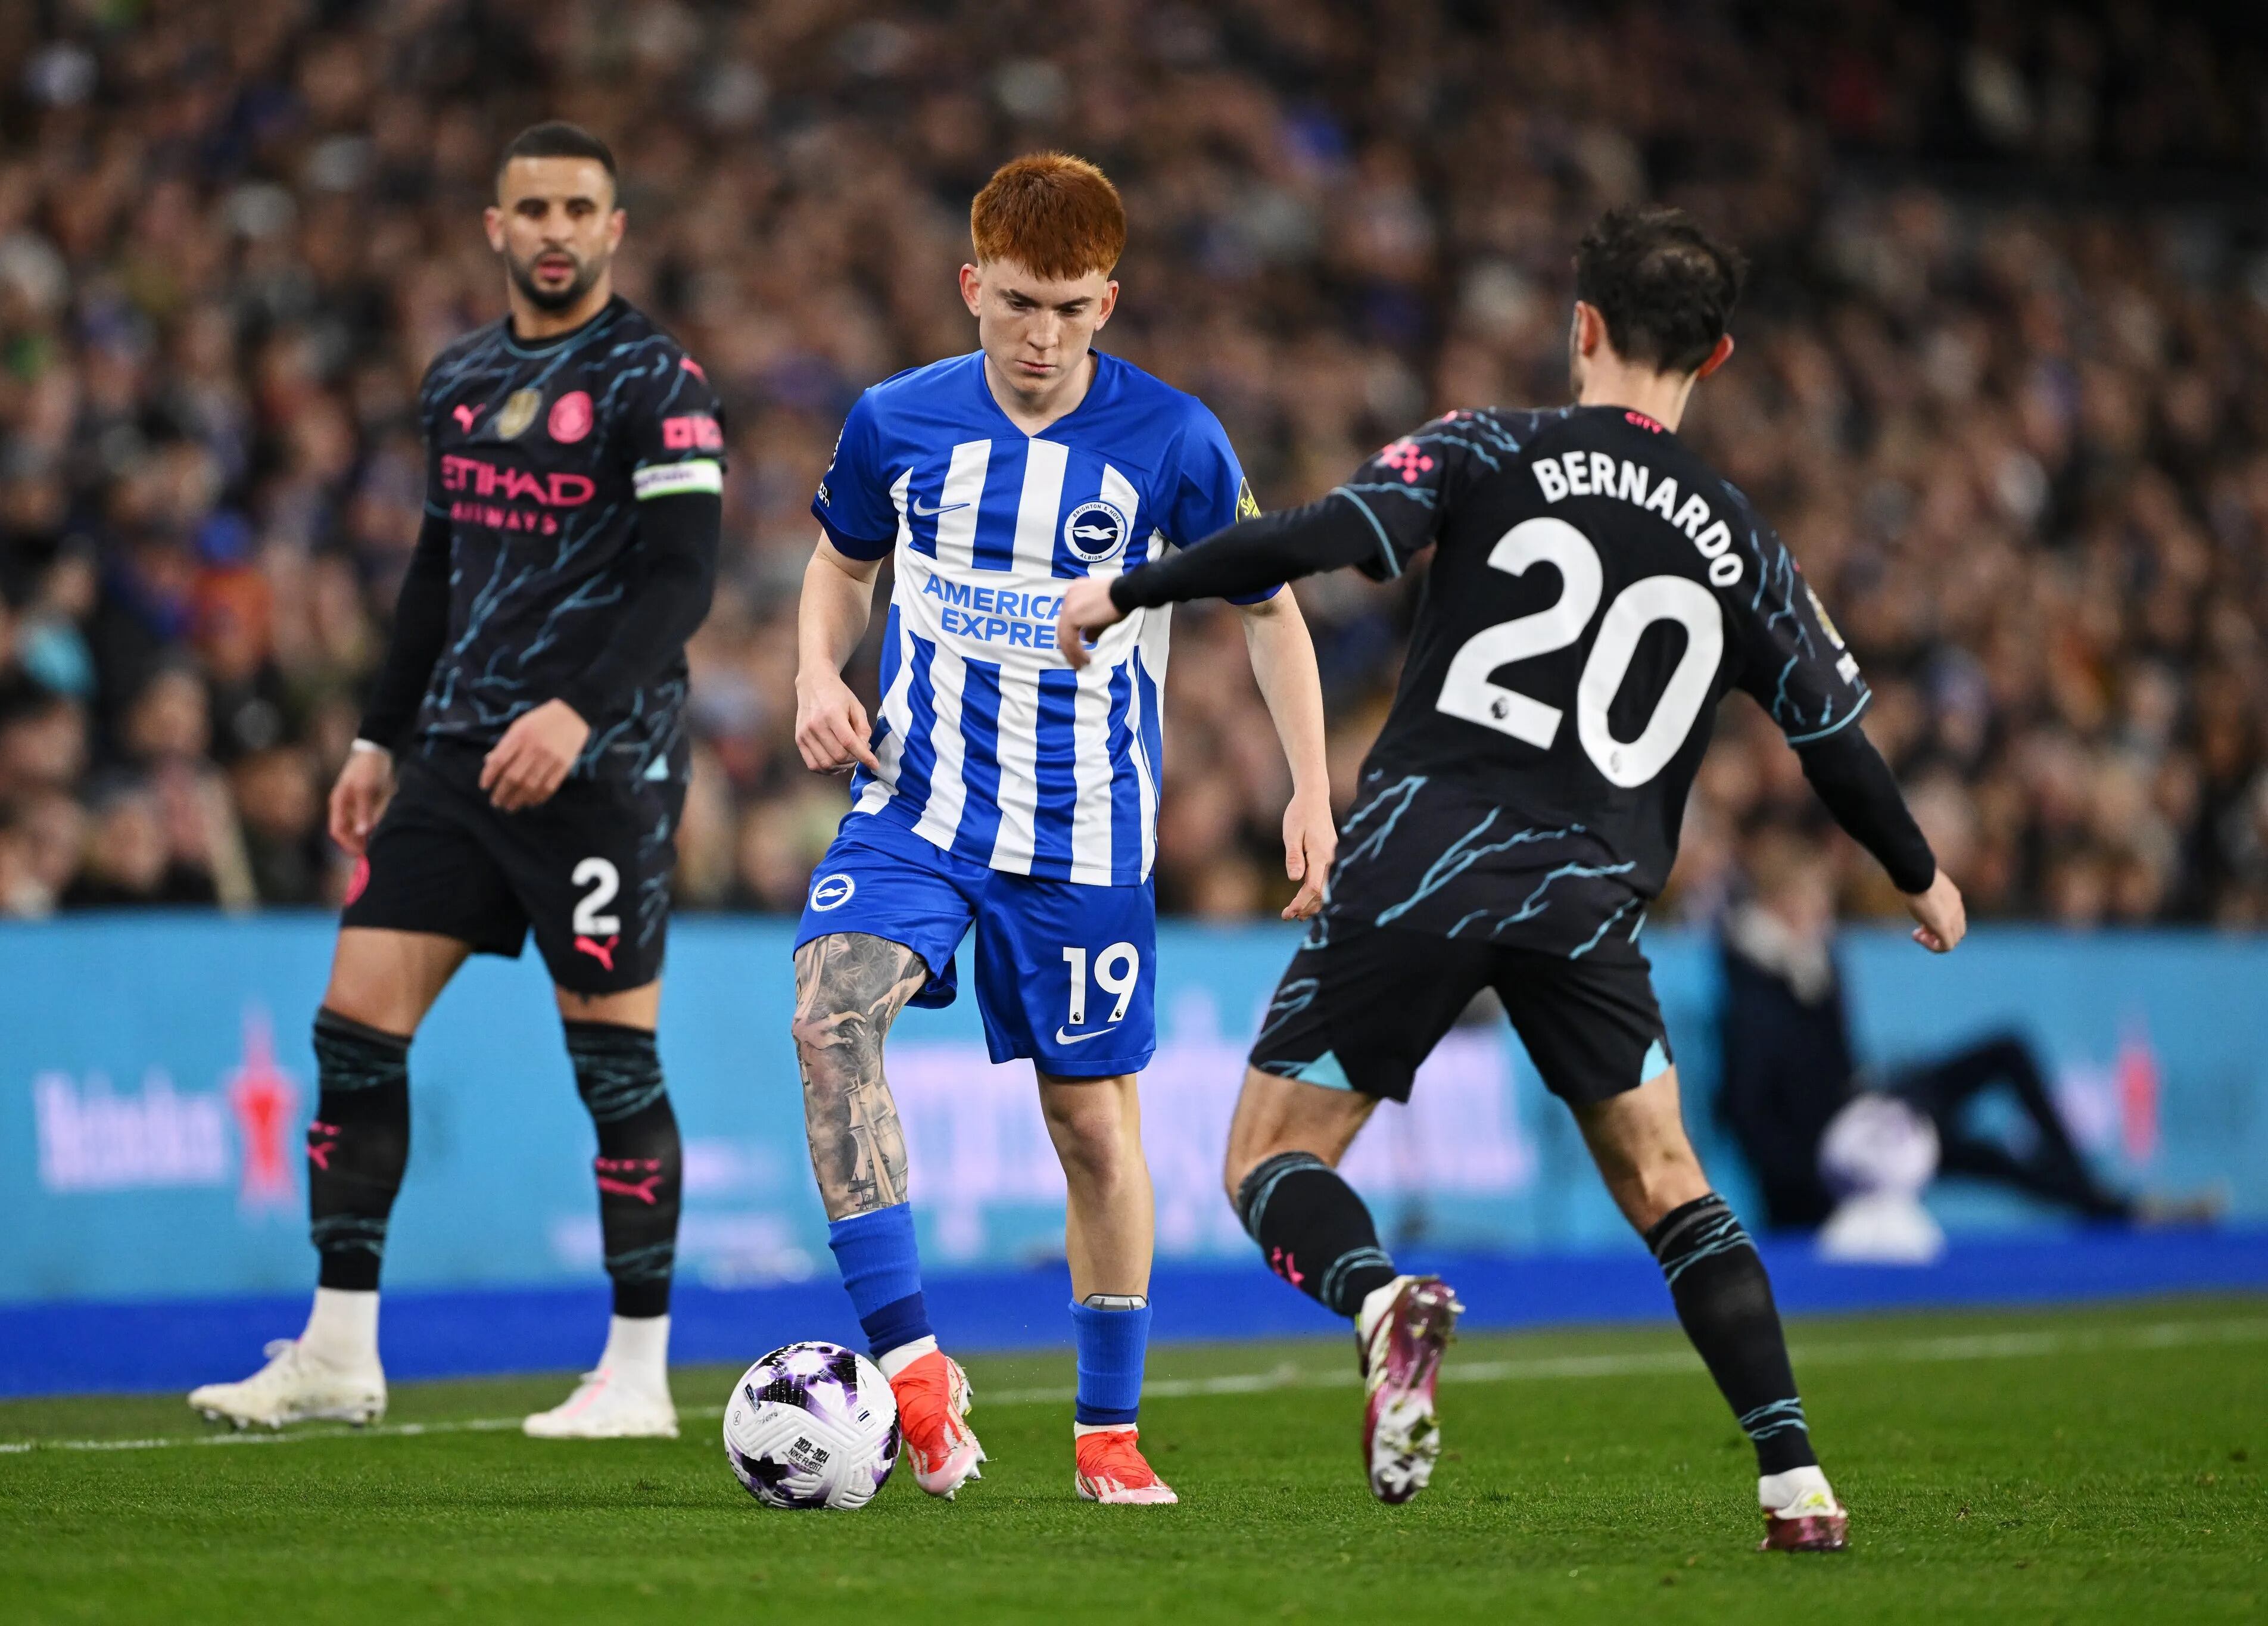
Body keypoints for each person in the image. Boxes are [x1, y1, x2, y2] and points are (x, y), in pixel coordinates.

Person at [1058, 205, 1970, 1550]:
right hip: (1585, 899)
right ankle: (1796, 1481)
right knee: (1671, 1184)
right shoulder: (1736, 535)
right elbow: (1831, 740)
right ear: (1715, 358)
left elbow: (1315, 538)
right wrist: (1918, 874)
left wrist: (1136, 589)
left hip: (1423, 861)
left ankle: (1378, 1304)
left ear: (1582, 325)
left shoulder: (1488, 445)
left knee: (1268, 1158)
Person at [790, 153, 1334, 1505]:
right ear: (972, 286)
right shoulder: (893, 423)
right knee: (827, 1013)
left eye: (1075, 309)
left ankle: (1105, 1430)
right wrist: (815, 671)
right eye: (1021, 303)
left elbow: (1268, 607)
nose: (1044, 337)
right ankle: (912, 1366)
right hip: (916, 805)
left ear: (1111, 301)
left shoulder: (1175, 441)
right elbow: (842, 561)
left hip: (1085, 836)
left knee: (1092, 1129)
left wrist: (1313, 785)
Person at [188, 123, 724, 1438]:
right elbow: (438, 571)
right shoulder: (461, 380)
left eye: (577, 207)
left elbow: (681, 579)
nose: (553, 228)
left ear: (613, 228)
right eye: (530, 206)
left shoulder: (660, 380)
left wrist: (575, 713)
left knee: (612, 1063)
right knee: (353, 1031)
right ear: (493, 226)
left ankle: (638, 1374)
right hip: (450, 759)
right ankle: (338, 1350)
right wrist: (377, 736)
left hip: (598, 771)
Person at [1719, 824, 2170, 1232]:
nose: (1824, 907)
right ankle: (2109, 1207)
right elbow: (1750, 1108)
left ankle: (2098, 1194)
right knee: (1984, 1156)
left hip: (1865, 1110)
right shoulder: (1753, 983)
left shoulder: (1817, 963)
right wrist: (1815, 1182)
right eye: (1815, 893)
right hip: (1838, 1154)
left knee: (2004, 1055)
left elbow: (1834, 1065)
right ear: (1782, 899)